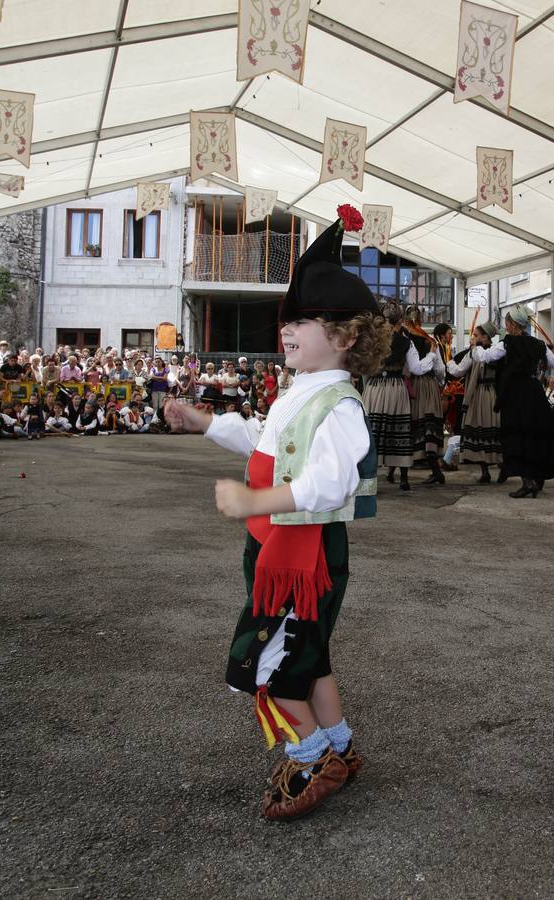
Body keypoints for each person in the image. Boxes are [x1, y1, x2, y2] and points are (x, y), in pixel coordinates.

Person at [164, 204, 389, 821]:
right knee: (307, 655)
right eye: (288, 320)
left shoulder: (339, 403)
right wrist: (207, 423)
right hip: (279, 550)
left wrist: (257, 500)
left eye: (306, 321)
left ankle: (314, 757)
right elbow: (265, 440)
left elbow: (331, 481)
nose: (286, 330)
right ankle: (339, 746)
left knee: (267, 660)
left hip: (303, 554)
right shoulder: (301, 390)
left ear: (345, 337)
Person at [472, 304, 554, 498]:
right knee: (537, 433)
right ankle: (538, 478)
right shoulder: (538, 344)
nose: (506, 327)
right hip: (534, 392)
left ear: (513, 324)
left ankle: (528, 482)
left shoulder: (507, 343)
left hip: (516, 393)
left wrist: (475, 347)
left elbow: (485, 356)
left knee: (519, 435)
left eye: (507, 323)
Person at [362, 301, 413, 491]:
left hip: (375, 388)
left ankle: (370, 481)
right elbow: (413, 368)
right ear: (399, 319)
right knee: (399, 430)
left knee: (372, 432)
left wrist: (367, 387)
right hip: (395, 388)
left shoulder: (373, 339)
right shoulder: (407, 342)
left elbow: (365, 367)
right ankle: (404, 479)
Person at [445, 320, 503, 483]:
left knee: (480, 429)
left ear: (485, 337)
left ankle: (486, 471)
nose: (473, 337)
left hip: (479, 395)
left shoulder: (474, 352)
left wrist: (448, 361)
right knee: (492, 429)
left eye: (476, 335)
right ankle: (498, 468)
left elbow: (458, 371)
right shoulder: (497, 351)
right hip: (492, 394)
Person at [404, 306, 446, 483]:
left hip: (414, 385)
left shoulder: (406, 340)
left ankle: (425, 467)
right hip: (429, 385)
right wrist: (440, 383)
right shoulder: (430, 341)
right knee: (429, 423)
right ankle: (435, 469)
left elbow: (409, 367)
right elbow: (440, 369)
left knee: (416, 423)